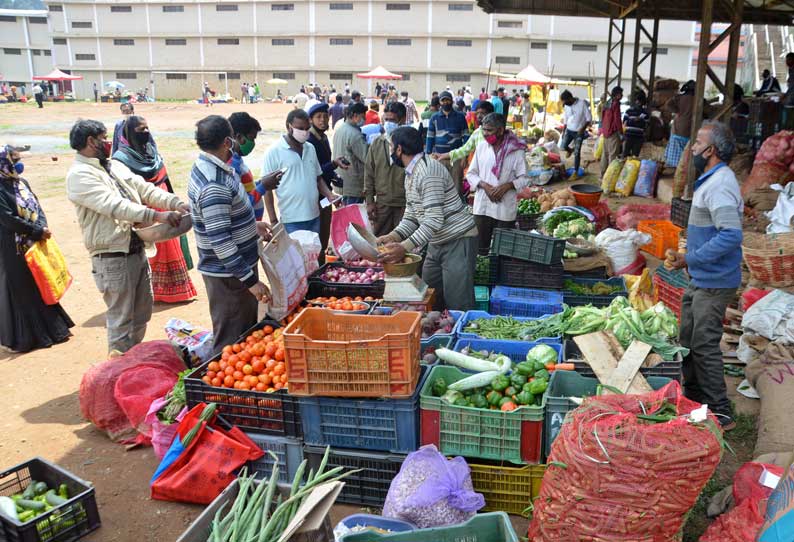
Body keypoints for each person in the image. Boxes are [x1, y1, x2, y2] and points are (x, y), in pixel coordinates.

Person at [66, 119, 187, 353]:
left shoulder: (112, 166)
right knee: (121, 319)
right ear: (91, 141)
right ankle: (119, 370)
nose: (108, 142)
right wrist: (157, 216)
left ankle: (131, 361)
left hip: (135, 248)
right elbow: (114, 206)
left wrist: (176, 203)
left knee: (142, 312)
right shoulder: (79, 175)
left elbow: (145, 189)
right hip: (111, 257)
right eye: (103, 138)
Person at [665, 121, 742, 431]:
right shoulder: (709, 180)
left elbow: (731, 236)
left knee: (704, 345)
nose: (692, 148)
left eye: (697, 143)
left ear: (711, 151)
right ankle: (695, 404)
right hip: (701, 276)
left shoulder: (721, 183)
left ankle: (721, 412)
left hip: (715, 280)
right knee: (688, 340)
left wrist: (689, 258)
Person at [188, 115, 273, 352]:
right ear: (227, 141)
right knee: (231, 341)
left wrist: (250, 226)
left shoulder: (216, 167)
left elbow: (223, 218)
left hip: (236, 271)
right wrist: (251, 282)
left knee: (244, 331)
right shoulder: (213, 184)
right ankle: (222, 388)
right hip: (228, 276)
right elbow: (221, 242)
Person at [378, 127, 477, 311]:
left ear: (399, 149)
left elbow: (433, 220)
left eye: (391, 147)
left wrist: (404, 247)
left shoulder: (428, 171)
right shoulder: (411, 173)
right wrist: (393, 237)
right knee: (430, 295)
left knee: (457, 302)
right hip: (436, 242)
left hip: (457, 239)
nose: (390, 151)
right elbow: (412, 215)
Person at [112, 116, 197, 304]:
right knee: (154, 251)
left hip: (165, 204)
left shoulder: (152, 151)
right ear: (128, 134)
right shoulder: (121, 159)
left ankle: (177, 290)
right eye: (140, 130)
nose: (145, 133)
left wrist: (175, 203)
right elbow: (128, 190)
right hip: (146, 211)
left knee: (171, 246)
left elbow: (164, 177)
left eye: (147, 128)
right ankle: (156, 292)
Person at [0, 146, 74, 353]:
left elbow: (37, 207)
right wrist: (36, 231)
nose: (18, 163)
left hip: (34, 241)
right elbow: (7, 219)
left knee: (41, 282)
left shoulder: (22, 183)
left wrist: (42, 227)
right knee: (23, 288)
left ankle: (54, 329)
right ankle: (29, 337)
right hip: (13, 247)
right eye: (14, 160)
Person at [263, 109, 340, 233]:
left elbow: (318, 178)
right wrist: (273, 221)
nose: (304, 132)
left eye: (307, 128)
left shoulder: (310, 148)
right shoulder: (274, 151)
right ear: (289, 127)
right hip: (291, 221)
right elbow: (267, 190)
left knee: (315, 251)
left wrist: (329, 195)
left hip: (314, 216)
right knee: (295, 252)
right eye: (300, 128)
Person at [466, 113, 528, 255]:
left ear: (500, 131)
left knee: (503, 250)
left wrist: (507, 186)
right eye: (484, 130)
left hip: (504, 207)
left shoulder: (516, 151)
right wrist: (484, 186)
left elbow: (524, 178)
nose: (485, 134)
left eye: (489, 130)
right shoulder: (482, 147)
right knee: (480, 248)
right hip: (482, 207)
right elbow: (471, 174)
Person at [307, 102, 348, 261]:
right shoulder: (310, 141)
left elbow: (324, 167)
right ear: (311, 120)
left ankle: (322, 264)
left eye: (325, 116)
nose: (323, 120)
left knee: (324, 233)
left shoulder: (323, 138)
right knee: (316, 236)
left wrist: (334, 176)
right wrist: (333, 164)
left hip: (325, 193)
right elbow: (315, 170)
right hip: (315, 194)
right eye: (318, 117)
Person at [365, 101, 407, 236]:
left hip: (404, 204)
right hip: (382, 204)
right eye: (386, 119)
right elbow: (369, 173)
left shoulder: (410, 143)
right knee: (379, 242)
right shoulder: (377, 143)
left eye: (392, 120)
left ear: (402, 120)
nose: (388, 123)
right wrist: (370, 201)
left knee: (403, 243)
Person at [228, 111, 269, 221]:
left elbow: (245, 189)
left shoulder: (238, 161)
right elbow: (240, 204)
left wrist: (260, 183)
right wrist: (262, 187)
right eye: (252, 138)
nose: (253, 143)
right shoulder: (231, 166)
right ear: (239, 137)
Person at [435, 100, 495, 174]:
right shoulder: (477, 133)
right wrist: (444, 155)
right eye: (477, 113)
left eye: (482, 113)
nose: (479, 116)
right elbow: (464, 150)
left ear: (491, 114)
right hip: (482, 172)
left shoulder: (499, 132)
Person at [428, 91, 468, 195]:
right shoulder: (434, 118)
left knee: (457, 186)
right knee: (439, 187)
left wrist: (464, 156)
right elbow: (430, 137)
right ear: (440, 102)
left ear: (452, 101)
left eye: (448, 100)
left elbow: (466, 137)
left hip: (456, 158)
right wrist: (429, 153)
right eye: (443, 100)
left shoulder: (460, 117)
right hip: (439, 157)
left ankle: (457, 209)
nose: (446, 102)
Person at [332, 102, 369, 205]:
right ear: (355, 116)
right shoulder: (355, 135)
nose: (364, 120)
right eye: (363, 116)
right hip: (353, 184)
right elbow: (367, 158)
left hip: (342, 180)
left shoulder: (340, 128)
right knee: (353, 217)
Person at [663, 80, 697, 169]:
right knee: (687, 154)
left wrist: (677, 111)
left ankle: (675, 172)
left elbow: (668, 104)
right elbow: (708, 110)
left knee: (676, 155)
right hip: (690, 130)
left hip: (677, 129)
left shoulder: (679, 97)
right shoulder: (698, 99)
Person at [559, 89, 592, 180]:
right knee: (563, 146)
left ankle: (576, 172)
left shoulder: (582, 104)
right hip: (569, 130)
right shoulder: (567, 106)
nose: (565, 104)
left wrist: (583, 128)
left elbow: (589, 118)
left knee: (577, 152)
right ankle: (570, 150)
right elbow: (566, 118)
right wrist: (564, 130)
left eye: (566, 102)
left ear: (570, 98)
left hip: (579, 132)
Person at [599, 86, 623, 177]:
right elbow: (617, 119)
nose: (621, 96)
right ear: (617, 95)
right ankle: (609, 177)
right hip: (613, 132)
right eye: (621, 94)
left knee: (605, 154)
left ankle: (602, 174)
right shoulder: (615, 104)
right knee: (613, 155)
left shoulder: (607, 103)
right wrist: (620, 132)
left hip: (605, 132)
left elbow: (602, 117)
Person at [623, 89, 648, 158]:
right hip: (631, 137)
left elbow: (646, 124)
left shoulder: (645, 113)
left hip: (637, 137)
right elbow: (624, 122)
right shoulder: (629, 111)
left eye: (640, 101)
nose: (638, 102)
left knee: (632, 157)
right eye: (638, 100)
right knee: (627, 155)